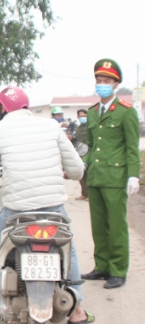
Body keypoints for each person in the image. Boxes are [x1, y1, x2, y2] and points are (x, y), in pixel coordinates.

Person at [0, 87, 94, 323]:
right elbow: (77, 169)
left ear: (2, 108)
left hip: (15, 210)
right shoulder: (51, 127)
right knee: (68, 245)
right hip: (53, 208)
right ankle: (78, 310)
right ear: (26, 107)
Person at [81, 58, 140, 289]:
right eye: (99, 80)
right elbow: (91, 146)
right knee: (98, 225)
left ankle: (118, 270)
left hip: (115, 178)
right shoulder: (93, 112)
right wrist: (79, 164)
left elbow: (131, 147)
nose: (101, 84)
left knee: (116, 225)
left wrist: (133, 175)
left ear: (116, 85)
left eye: (106, 81)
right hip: (95, 177)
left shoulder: (126, 112)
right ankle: (102, 266)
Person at [74, 109, 88, 200]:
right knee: (81, 174)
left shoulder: (91, 127)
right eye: (81, 116)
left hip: (89, 152)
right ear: (78, 117)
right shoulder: (78, 129)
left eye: (85, 116)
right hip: (80, 152)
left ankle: (91, 195)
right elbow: (77, 140)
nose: (83, 118)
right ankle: (84, 194)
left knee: (89, 174)